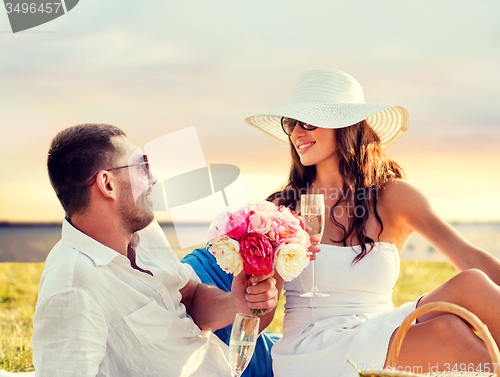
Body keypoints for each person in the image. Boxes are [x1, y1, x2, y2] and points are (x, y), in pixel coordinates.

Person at [244, 69, 500, 377]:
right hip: (314, 348)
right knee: (446, 331)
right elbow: (259, 319)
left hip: (379, 327)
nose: (297, 132)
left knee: (472, 283)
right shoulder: (281, 209)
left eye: (308, 121)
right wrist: (264, 289)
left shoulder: (394, 197)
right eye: (291, 123)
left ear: (347, 126)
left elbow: (470, 256)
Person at [32, 123, 278, 377]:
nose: (154, 179)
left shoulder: (143, 232)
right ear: (107, 184)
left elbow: (190, 297)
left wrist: (234, 303)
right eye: (142, 167)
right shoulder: (73, 287)